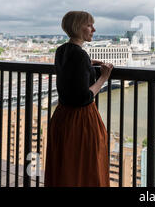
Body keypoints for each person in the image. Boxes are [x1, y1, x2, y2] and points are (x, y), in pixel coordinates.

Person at [44, 11, 113, 187]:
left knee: (66, 168)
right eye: (89, 25)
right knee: (86, 168)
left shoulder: (62, 51)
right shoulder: (80, 55)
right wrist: (103, 77)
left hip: (62, 116)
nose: (94, 29)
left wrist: (89, 65)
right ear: (77, 27)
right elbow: (84, 97)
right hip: (80, 119)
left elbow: (70, 75)